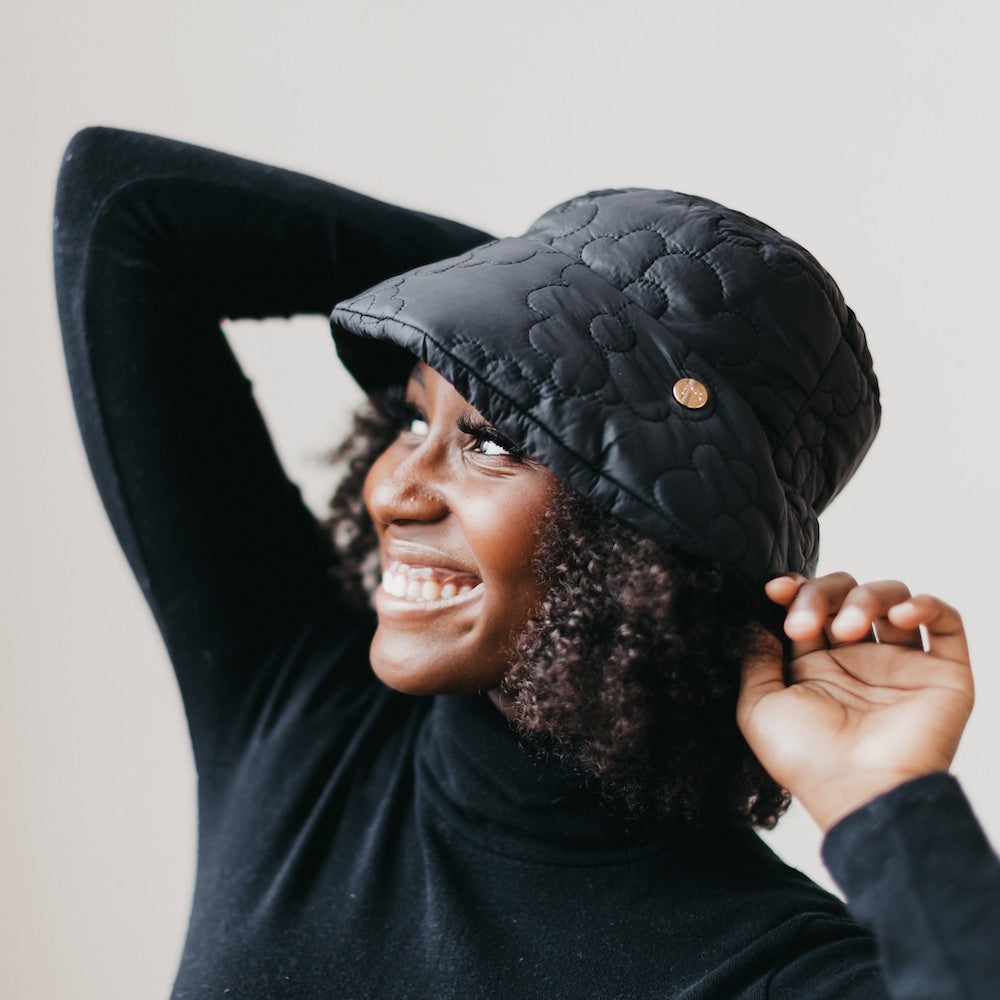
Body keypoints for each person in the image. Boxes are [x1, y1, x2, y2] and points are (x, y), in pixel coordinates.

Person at [53, 126, 1000, 999]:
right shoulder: (307, 721)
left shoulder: (770, 966)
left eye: (494, 439)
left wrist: (886, 800)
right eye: (414, 418)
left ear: (648, 542)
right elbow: (121, 207)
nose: (392, 489)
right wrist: (534, 295)